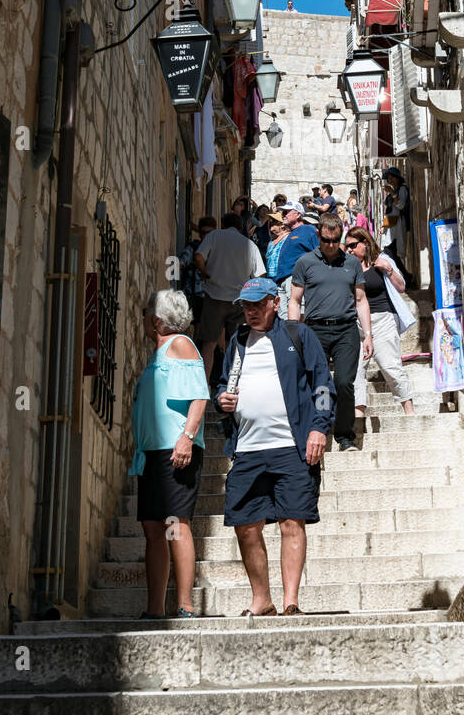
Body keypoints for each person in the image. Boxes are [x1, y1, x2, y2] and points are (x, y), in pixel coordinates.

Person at [214, 278, 335, 616]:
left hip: (291, 445)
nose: (250, 311)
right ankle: (261, 599)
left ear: (274, 304)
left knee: (291, 521)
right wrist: (221, 397)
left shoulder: (298, 335)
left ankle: (290, 601)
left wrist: (319, 429)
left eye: (257, 305)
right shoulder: (238, 341)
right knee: (245, 524)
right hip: (248, 447)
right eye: (246, 306)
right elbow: (225, 383)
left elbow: (323, 384)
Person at [131, 290, 209, 619]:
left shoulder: (181, 344)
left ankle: (185, 605)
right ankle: (154, 608)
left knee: (176, 524)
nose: (144, 317)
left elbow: (200, 396)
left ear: (157, 320)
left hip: (176, 448)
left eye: (147, 312)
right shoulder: (158, 353)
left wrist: (187, 438)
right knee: (153, 527)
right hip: (152, 452)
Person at [289, 213, 373, 453]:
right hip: (315, 330)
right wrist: (293, 332)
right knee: (321, 384)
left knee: (345, 382)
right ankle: (321, 426)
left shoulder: (352, 263)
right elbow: (295, 301)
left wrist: (368, 334)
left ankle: (345, 434)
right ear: (318, 235)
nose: (331, 245)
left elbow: (361, 300)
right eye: (326, 240)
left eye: (336, 240)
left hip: (346, 329)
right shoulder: (305, 263)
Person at [345, 226, 415, 423]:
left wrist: (388, 268)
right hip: (358, 324)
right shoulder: (348, 266)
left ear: (365, 243)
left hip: (383, 319)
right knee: (356, 369)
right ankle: (358, 418)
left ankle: (409, 412)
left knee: (390, 366)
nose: (349, 250)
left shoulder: (380, 260)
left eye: (353, 245)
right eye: (347, 247)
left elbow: (401, 288)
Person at [194, 213, 265, 381]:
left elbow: (198, 256)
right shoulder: (249, 244)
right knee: (239, 345)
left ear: (223, 224)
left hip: (215, 296)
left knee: (209, 344)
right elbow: (260, 276)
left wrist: (205, 273)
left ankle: (204, 386)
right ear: (240, 228)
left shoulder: (214, 236)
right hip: (240, 300)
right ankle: (236, 383)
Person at [272, 201, 319, 318]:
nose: (283, 214)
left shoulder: (309, 230)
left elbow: (319, 253)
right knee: (283, 318)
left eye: (287, 212)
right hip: (281, 281)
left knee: (297, 315)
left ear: (298, 214)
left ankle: (300, 336)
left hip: (295, 279)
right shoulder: (290, 233)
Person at [179, 216, 216, 327]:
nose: (207, 236)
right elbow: (180, 263)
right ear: (200, 234)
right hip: (197, 295)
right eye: (204, 233)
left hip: (215, 295)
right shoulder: (193, 248)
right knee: (200, 327)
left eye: (210, 233)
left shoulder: (219, 250)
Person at [381, 168, 413, 286]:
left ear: (398, 178)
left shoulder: (402, 189)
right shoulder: (392, 192)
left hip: (398, 224)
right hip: (391, 226)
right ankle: (405, 276)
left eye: (392, 178)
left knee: (393, 251)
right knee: (390, 251)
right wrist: (383, 225)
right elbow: (390, 211)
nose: (391, 180)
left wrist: (393, 193)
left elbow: (400, 205)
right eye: (389, 179)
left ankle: (404, 277)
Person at [265, 213, 288, 278]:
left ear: (282, 225)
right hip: (270, 279)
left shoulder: (287, 238)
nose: (271, 223)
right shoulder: (270, 242)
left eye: (274, 222)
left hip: (282, 277)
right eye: (271, 221)